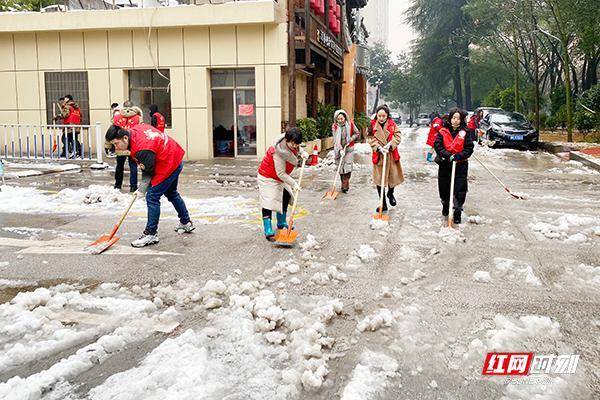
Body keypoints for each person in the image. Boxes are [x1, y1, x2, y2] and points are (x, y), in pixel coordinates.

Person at [105, 123, 194, 247]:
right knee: (171, 192)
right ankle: (186, 222)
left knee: (152, 196)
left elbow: (148, 172)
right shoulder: (135, 129)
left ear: (125, 138)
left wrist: (142, 189)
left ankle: (150, 233)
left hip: (168, 163)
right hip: (174, 154)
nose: (116, 148)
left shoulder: (142, 149)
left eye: (116, 144)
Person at [257, 128, 308, 241]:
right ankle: (268, 228)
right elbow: (280, 173)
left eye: (297, 144)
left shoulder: (292, 143)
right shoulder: (278, 151)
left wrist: (303, 153)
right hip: (267, 176)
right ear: (287, 140)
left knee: (286, 195)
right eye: (293, 144)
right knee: (268, 201)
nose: (295, 146)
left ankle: (281, 222)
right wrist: (294, 183)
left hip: (279, 177)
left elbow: (297, 148)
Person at [434, 108, 475, 224]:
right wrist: (447, 155)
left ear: (461, 120)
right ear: (450, 119)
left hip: (460, 165)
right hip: (445, 165)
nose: (455, 120)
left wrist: (458, 156)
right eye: (453, 118)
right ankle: (445, 205)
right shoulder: (443, 131)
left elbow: (469, 148)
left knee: (460, 190)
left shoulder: (465, 132)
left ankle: (457, 211)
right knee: (444, 188)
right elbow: (438, 146)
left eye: (458, 118)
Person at [367, 104, 404, 213]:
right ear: (377, 116)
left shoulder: (392, 125)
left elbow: (398, 136)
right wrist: (378, 147)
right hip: (379, 156)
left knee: (392, 178)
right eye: (379, 116)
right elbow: (370, 138)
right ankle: (382, 203)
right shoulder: (372, 126)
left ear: (387, 116)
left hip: (391, 155)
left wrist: (391, 144)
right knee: (379, 181)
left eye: (384, 116)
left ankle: (390, 193)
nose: (381, 118)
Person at [332, 109, 361, 193]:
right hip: (339, 148)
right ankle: (343, 183)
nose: (340, 120)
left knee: (347, 167)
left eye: (342, 118)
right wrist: (340, 148)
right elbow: (335, 139)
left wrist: (350, 139)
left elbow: (357, 133)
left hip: (349, 149)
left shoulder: (350, 124)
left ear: (345, 118)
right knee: (340, 167)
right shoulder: (335, 126)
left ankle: (345, 185)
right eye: (338, 119)